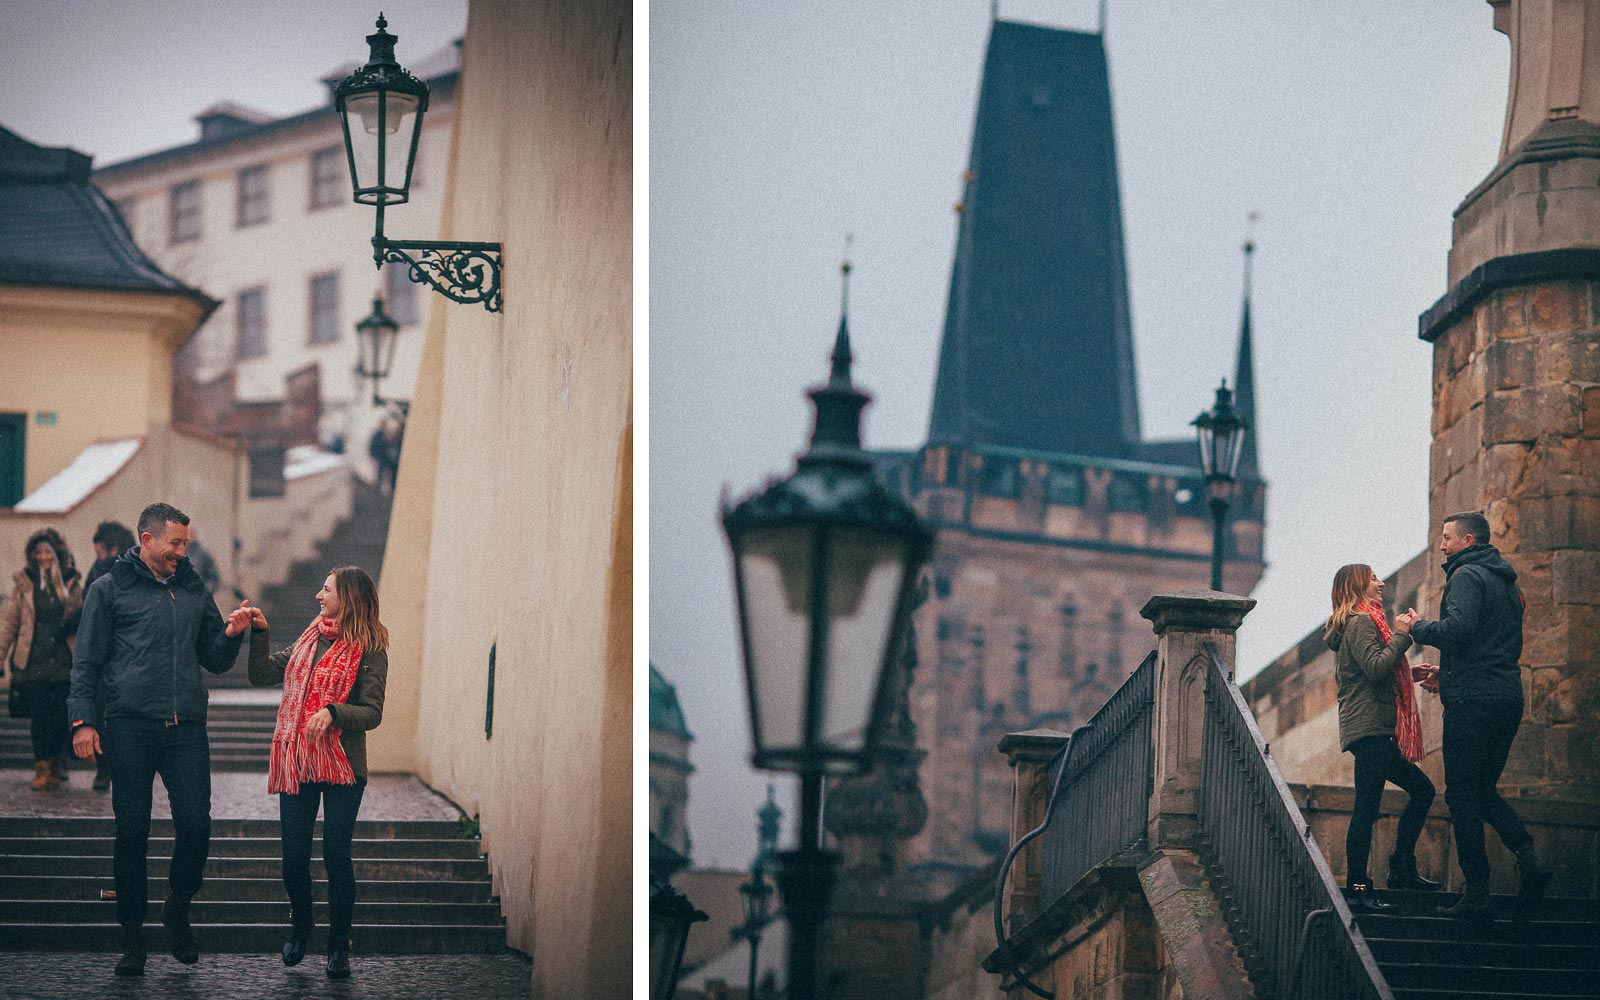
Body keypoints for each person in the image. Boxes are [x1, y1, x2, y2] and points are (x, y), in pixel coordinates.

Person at [68, 502, 255, 976]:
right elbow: (86, 662)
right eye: (175, 543)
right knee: (131, 832)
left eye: (185, 544)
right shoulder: (109, 590)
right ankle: (133, 938)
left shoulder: (192, 587)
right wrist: (83, 721)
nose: (182, 551)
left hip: (185, 728)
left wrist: (231, 634)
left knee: (196, 826)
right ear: (147, 540)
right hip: (129, 725)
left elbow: (213, 657)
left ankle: (177, 907)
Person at [1398, 511, 1550, 917]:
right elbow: (1489, 646)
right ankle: (1525, 854)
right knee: (1481, 789)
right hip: (1504, 697)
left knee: (1462, 795)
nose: (1442, 545)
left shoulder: (1466, 575)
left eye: (1447, 538)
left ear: (1468, 540)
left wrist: (1418, 627)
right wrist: (1446, 677)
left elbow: (1460, 630)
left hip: (1473, 703)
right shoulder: (1507, 582)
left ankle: (1477, 894)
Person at [246, 566, 388, 980]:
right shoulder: (312, 636)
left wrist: (332, 712)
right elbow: (262, 674)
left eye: (326, 590)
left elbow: (373, 712)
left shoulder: (372, 645)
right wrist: (259, 633)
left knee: (335, 857)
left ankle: (338, 946)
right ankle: (301, 926)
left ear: (347, 597)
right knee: (294, 859)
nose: (318, 597)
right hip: (299, 761)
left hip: (343, 765)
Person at [1323, 564, 1439, 911]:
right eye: (1373, 578)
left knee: (1422, 791)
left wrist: (1409, 673)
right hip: (1370, 730)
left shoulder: (1367, 621)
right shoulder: (1360, 622)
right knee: (1367, 808)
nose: (1381, 583)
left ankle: (1402, 868)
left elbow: (1374, 670)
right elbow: (1375, 667)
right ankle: (1359, 888)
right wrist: (1403, 635)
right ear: (1357, 585)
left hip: (1377, 729)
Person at [0, 529, 84, 791]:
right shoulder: (25, 584)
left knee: (60, 716)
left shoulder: (71, 583)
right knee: (39, 717)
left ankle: (56, 763)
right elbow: (10, 622)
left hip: (62, 662)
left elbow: (81, 619)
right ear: (32, 556)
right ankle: (42, 767)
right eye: (39, 552)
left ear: (57, 554)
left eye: (48, 552)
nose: (43, 557)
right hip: (33, 661)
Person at [65, 520, 137, 791]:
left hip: (104, 655)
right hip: (123, 658)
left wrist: (65, 627)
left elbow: (88, 610)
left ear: (110, 548)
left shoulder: (103, 573)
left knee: (101, 710)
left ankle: (104, 769)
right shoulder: (136, 571)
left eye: (98, 551)